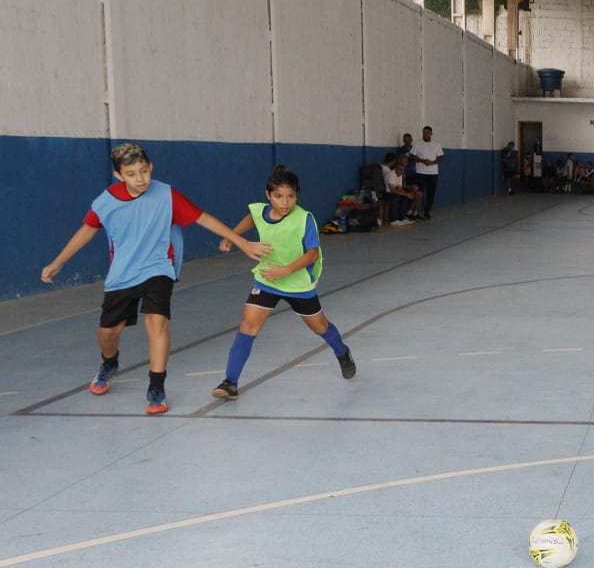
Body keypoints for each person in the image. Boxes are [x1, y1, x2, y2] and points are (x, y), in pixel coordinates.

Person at [40, 142, 270, 415]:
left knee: (157, 322)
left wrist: (242, 242)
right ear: (118, 175)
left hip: (159, 266)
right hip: (123, 272)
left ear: (151, 167)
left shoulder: (167, 195)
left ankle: (156, 387)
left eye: (144, 171)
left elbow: (203, 218)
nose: (140, 179)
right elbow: (87, 230)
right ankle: (109, 363)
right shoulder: (106, 201)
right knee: (108, 332)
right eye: (131, 174)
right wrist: (58, 262)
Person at [210, 165, 357, 399]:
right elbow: (251, 218)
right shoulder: (261, 211)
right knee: (248, 326)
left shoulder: (304, 218)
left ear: (298, 195)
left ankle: (342, 352)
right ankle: (230, 383)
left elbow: (312, 254)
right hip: (267, 279)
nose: (285, 202)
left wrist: (285, 270)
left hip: (298, 283)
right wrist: (233, 236)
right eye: (278, 196)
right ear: (268, 195)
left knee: (320, 327)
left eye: (290, 196)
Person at [410, 125, 443, 219]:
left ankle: (427, 212)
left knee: (431, 194)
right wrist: (422, 161)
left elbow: (440, 158)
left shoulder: (436, 145)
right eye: (424, 132)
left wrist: (432, 162)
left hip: (433, 173)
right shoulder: (417, 143)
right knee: (419, 193)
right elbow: (412, 156)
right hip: (420, 172)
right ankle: (415, 213)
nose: (425, 134)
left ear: (431, 134)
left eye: (427, 133)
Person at [381, 151, 422, 223]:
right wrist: (407, 193)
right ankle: (394, 220)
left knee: (405, 197)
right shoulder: (391, 174)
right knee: (395, 197)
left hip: (394, 192)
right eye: (400, 170)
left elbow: (400, 188)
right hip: (387, 193)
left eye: (402, 170)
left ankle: (402, 218)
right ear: (395, 169)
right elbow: (392, 190)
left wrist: (407, 194)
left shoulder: (400, 175)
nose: (401, 171)